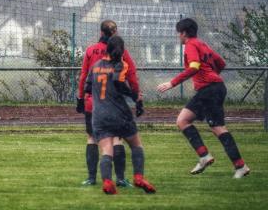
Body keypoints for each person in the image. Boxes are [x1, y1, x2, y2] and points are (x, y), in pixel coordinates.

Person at [157, 18, 250, 178]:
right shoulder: (202, 44)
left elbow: (194, 67)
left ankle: (240, 166)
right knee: (183, 120)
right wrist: (212, 76)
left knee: (217, 127)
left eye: (178, 33)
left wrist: (172, 83)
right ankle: (204, 156)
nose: (178, 36)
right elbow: (221, 63)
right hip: (213, 88)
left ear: (184, 33)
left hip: (210, 90)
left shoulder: (191, 45)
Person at [85, 36, 156, 195]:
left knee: (106, 150)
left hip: (99, 115)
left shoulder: (95, 66)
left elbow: (87, 88)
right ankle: (138, 177)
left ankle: (107, 181)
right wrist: (134, 96)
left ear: (106, 49)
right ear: (121, 50)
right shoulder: (120, 65)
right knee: (136, 145)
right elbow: (118, 82)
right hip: (119, 113)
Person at [76, 20, 142, 187]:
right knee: (117, 139)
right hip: (114, 104)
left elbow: (84, 75)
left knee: (92, 137)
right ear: (115, 33)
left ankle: (91, 178)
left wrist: (80, 98)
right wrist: (137, 97)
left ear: (100, 32)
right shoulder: (121, 52)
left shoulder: (91, 50)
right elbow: (132, 74)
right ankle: (120, 178)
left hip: (94, 103)